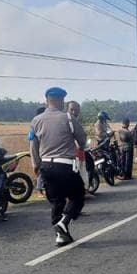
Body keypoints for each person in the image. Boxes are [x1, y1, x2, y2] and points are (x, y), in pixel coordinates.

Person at [30, 87, 87, 247]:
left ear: (46, 100)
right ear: (62, 101)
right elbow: (82, 139)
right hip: (65, 165)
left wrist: (36, 165)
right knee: (78, 195)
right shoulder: (68, 118)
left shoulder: (36, 120)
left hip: (46, 165)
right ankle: (64, 221)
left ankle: (61, 236)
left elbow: (33, 145)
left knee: (56, 201)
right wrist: (80, 146)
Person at [67, 101, 89, 190]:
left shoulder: (76, 121)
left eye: (76, 110)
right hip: (71, 154)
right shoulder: (66, 121)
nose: (73, 112)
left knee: (82, 170)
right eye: (71, 110)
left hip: (79, 152)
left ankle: (85, 190)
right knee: (78, 171)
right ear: (67, 110)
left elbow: (82, 138)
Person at [30, 106, 46, 197]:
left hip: (43, 151)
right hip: (37, 150)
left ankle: (41, 189)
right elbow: (33, 145)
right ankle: (39, 191)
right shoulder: (35, 125)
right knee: (39, 170)